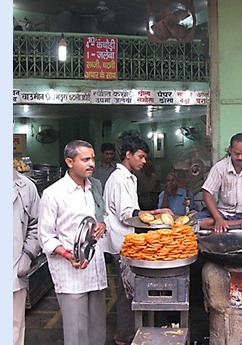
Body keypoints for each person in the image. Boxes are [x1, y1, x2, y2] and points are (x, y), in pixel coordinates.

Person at [102, 136, 173, 345]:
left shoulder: (129, 177)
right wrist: (155, 213)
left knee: (129, 291)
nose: (143, 161)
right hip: (121, 243)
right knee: (126, 293)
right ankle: (124, 336)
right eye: (141, 157)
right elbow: (126, 214)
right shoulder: (119, 179)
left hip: (127, 241)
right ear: (128, 155)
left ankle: (128, 332)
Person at [38, 140, 108, 345]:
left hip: (95, 269)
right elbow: (46, 236)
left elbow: (101, 215)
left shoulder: (93, 188)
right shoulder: (54, 194)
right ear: (70, 161)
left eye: (93, 158)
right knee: (77, 333)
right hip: (71, 274)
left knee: (97, 331)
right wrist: (68, 255)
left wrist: (102, 225)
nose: (92, 163)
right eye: (85, 159)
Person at [13, 168, 41, 345]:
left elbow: (37, 224)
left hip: (13, 269)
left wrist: (28, 254)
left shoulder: (26, 188)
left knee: (13, 327)